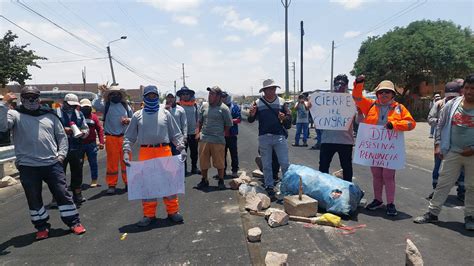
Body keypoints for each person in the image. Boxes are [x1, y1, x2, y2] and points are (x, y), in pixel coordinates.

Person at [0, 87, 86, 240]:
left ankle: (74, 222)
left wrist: (61, 156)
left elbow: (61, 137)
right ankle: (41, 227)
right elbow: (2, 127)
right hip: (28, 166)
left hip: (52, 163)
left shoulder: (50, 115)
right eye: (27, 97)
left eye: (34, 97)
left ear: (38, 99)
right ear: (22, 98)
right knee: (33, 197)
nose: (31, 100)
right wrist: (3, 104)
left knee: (62, 193)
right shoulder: (15, 114)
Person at [414, 74, 474, 230]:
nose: (469, 91)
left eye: (473, 89)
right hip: (453, 152)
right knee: (443, 184)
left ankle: (470, 217)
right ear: (463, 89)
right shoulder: (452, 104)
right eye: (467, 88)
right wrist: (439, 144)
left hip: (472, 155)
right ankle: (432, 214)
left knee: (471, 187)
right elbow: (441, 125)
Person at [123, 85, 186, 227]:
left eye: (154, 95)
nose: (152, 98)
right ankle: (149, 215)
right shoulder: (137, 115)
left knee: (169, 183)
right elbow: (129, 136)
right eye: (149, 96)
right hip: (146, 152)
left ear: (158, 96)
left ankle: (173, 211)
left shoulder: (166, 113)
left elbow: (175, 133)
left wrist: (181, 148)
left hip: (164, 150)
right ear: (144, 97)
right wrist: (126, 151)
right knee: (148, 185)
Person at [352, 76, 416, 216]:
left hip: (390, 150)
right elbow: (356, 97)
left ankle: (391, 203)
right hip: (374, 148)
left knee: (388, 175)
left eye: (387, 92)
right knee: (376, 174)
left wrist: (395, 125)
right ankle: (378, 200)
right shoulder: (369, 105)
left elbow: (411, 123)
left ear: (393, 94)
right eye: (381, 92)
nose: (384, 94)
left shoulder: (400, 108)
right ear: (377, 94)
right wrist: (359, 83)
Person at [248, 79, 291, 199]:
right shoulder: (258, 102)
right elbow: (251, 120)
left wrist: (284, 118)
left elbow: (289, 122)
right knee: (266, 164)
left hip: (279, 137)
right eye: (269, 89)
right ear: (264, 91)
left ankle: (286, 186)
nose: (272, 91)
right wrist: (251, 114)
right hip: (264, 137)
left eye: (273, 88)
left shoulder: (282, 102)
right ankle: (269, 186)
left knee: (284, 163)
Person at [426, 82, 464, 200]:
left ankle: (462, 192)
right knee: (437, 167)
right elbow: (431, 119)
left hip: (458, 143)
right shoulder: (439, 104)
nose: (451, 99)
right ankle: (436, 190)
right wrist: (444, 122)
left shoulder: (463, 105)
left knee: (461, 169)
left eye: (454, 97)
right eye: (449, 96)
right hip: (441, 141)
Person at [92, 85, 133, 195]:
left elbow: (133, 119)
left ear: (121, 95)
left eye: (118, 94)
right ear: (109, 96)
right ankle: (111, 185)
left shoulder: (125, 106)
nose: (115, 96)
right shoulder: (106, 105)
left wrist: (128, 120)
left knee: (127, 161)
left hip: (125, 138)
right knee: (112, 163)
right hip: (111, 138)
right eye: (113, 94)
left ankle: (128, 183)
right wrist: (100, 92)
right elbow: (95, 104)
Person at [195, 86, 233, 190]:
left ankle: (221, 180)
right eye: (209, 93)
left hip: (218, 140)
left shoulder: (224, 108)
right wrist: (198, 133)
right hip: (204, 139)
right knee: (203, 162)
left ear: (218, 96)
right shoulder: (204, 106)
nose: (209, 96)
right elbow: (199, 121)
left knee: (219, 162)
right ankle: (204, 180)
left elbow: (228, 124)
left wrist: (221, 133)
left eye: (212, 94)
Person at [319, 74, 355, 182]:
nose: (339, 86)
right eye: (337, 84)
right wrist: (311, 107)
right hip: (327, 139)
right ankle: (323, 187)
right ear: (333, 85)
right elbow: (318, 116)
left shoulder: (352, 101)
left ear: (346, 85)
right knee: (323, 166)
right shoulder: (325, 100)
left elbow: (358, 120)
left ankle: (348, 188)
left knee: (346, 166)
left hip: (345, 140)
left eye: (342, 84)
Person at [56, 93, 89, 205]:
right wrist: (63, 130)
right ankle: (57, 197)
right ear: (64, 103)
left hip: (76, 147)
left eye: (74, 105)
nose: (72, 107)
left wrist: (83, 132)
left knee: (77, 173)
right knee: (59, 174)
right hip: (60, 149)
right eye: (70, 105)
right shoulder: (56, 113)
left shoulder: (79, 114)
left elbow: (85, 128)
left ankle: (77, 195)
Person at [80, 98, 105, 188]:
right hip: (80, 144)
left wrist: (101, 142)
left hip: (91, 143)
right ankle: (78, 182)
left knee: (93, 163)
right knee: (78, 164)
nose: (86, 109)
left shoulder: (94, 117)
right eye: (84, 107)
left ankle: (94, 180)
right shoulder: (78, 116)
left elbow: (100, 130)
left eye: (87, 107)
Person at [176, 86, 201, 175]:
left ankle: (194, 168)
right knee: (183, 152)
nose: (185, 96)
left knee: (194, 152)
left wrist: (198, 131)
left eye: (187, 94)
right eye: (183, 94)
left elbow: (198, 119)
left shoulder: (195, 105)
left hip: (193, 133)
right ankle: (184, 170)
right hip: (182, 134)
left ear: (190, 95)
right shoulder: (177, 105)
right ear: (180, 96)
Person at [222, 91, 241, 177]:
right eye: (222, 97)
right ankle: (222, 171)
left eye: (225, 97)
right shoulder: (218, 107)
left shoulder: (235, 107)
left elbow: (239, 119)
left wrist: (228, 121)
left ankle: (235, 171)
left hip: (232, 134)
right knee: (222, 155)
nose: (223, 98)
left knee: (234, 154)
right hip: (221, 135)